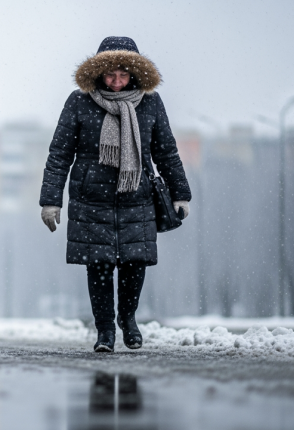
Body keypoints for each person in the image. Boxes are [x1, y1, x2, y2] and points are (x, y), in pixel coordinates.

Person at [39, 37, 191, 352]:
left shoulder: (150, 102)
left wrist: (181, 193)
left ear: (135, 74)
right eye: (110, 75)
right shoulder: (79, 101)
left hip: (137, 196)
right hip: (90, 200)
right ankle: (105, 331)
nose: (117, 82)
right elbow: (59, 154)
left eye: (123, 75)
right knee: (99, 267)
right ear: (98, 73)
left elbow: (166, 151)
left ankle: (129, 319)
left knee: (135, 264)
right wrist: (51, 201)